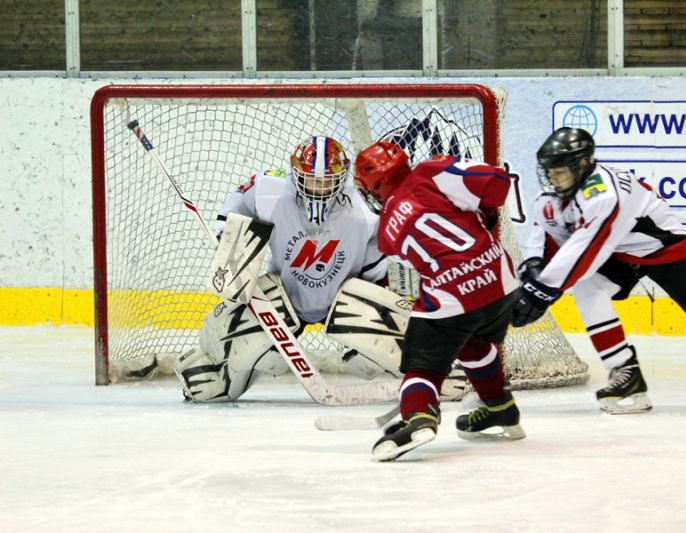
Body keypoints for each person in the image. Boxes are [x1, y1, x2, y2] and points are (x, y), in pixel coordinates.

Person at [512, 127, 686, 414]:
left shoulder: (603, 195)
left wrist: (541, 290)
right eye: (549, 172)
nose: (552, 178)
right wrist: (535, 265)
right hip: (618, 251)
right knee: (589, 289)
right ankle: (625, 374)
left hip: (662, 246)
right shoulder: (553, 193)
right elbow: (545, 229)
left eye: (559, 172)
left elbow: (584, 250)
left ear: (583, 164)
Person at [175, 136, 394, 402]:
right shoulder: (270, 189)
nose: (319, 188)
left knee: (393, 333)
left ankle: (420, 376)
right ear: (294, 173)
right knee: (220, 381)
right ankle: (219, 371)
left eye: (327, 181)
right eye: (312, 180)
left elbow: (376, 270)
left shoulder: (365, 205)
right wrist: (229, 239)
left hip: (345, 299)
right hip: (284, 298)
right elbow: (235, 210)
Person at [354, 141, 526, 462]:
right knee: (472, 344)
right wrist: (485, 212)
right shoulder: (431, 171)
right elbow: (497, 181)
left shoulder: (385, 233)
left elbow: (420, 256)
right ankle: (500, 407)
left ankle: (419, 416)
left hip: (452, 297)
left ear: (375, 187)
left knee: (423, 367)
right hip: (500, 282)